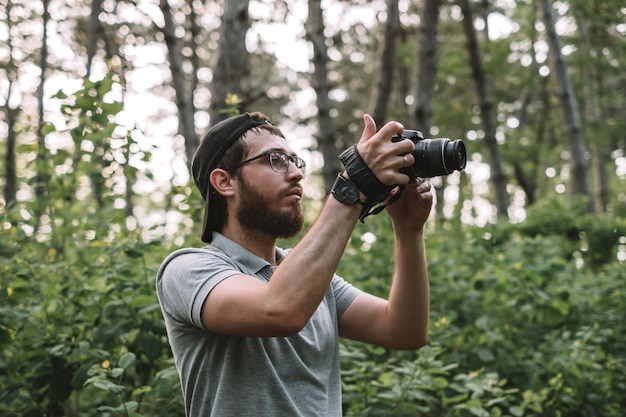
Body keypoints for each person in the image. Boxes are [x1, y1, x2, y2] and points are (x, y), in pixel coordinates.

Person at [156, 111, 433, 416]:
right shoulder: (188, 269)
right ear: (225, 182)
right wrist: (354, 185)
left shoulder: (313, 281)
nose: (296, 174)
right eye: (274, 159)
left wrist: (408, 231)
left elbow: (404, 330)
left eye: (294, 161)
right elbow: (279, 309)